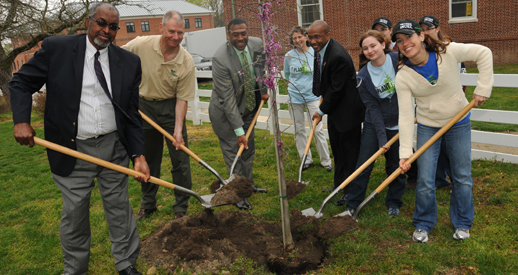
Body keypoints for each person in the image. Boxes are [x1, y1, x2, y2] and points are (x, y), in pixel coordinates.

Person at [9, 3, 151, 275]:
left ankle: (126, 264)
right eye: (101, 23)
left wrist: (138, 155)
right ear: (88, 21)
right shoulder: (57, 49)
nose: (106, 30)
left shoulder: (129, 62)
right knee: (75, 215)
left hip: (114, 148)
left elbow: (131, 114)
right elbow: (21, 83)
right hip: (71, 149)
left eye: (112, 26)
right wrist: (21, 120)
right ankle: (75, 270)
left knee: (120, 210)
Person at [393, 19, 493, 242]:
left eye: (408, 36)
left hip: (458, 122)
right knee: (426, 180)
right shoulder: (403, 76)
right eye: (399, 41)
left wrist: (483, 87)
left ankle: (463, 223)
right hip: (429, 126)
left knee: (462, 176)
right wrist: (405, 153)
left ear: (421, 36)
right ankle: (424, 222)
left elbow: (484, 53)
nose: (405, 43)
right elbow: (407, 116)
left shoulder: (447, 52)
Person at [122, 10, 195, 221]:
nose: (176, 37)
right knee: (147, 158)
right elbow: (116, 56)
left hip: (171, 109)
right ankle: (148, 204)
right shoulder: (141, 44)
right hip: (143, 108)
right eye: (171, 31)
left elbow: (182, 99)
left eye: (180, 33)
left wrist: (178, 131)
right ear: (162, 28)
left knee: (180, 159)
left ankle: (181, 206)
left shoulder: (186, 61)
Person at [343, 30, 406, 216]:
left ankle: (394, 202)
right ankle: (353, 205)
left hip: (400, 124)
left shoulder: (398, 61)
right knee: (363, 164)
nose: (370, 51)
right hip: (374, 124)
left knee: (396, 165)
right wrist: (381, 138)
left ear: (383, 45)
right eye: (365, 48)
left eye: (373, 45)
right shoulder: (363, 77)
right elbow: (373, 109)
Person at [209, 18, 270, 210]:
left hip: (248, 108)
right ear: (229, 35)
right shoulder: (220, 59)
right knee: (234, 155)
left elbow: (261, 69)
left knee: (248, 150)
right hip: (226, 115)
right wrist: (238, 131)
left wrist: (263, 89)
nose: (241, 38)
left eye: (243, 33)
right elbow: (227, 100)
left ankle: (248, 185)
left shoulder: (257, 44)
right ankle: (238, 194)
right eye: (235, 34)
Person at [308, 20, 365, 203]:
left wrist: (321, 111)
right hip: (336, 112)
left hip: (347, 114)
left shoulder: (337, 56)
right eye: (310, 37)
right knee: (338, 152)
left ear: (327, 35)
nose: (313, 40)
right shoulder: (322, 51)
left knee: (350, 154)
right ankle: (338, 185)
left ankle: (350, 191)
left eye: (317, 36)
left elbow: (337, 89)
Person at [419, 15, 467, 189]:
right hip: (430, 108)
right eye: (422, 29)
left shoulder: (450, 48)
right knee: (433, 146)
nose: (425, 32)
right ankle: (439, 179)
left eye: (429, 28)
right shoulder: (421, 50)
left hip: (451, 107)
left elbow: (462, 76)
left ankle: (456, 180)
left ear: (438, 28)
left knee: (450, 147)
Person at [283, 26, 333, 172]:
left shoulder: (315, 53)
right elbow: (287, 75)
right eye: (294, 38)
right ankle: (306, 159)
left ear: (305, 37)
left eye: (300, 37)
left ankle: (326, 161)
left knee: (317, 130)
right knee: (299, 130)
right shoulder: (289, 56)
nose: (297, 40)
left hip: (313, 97)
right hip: (295, 98)